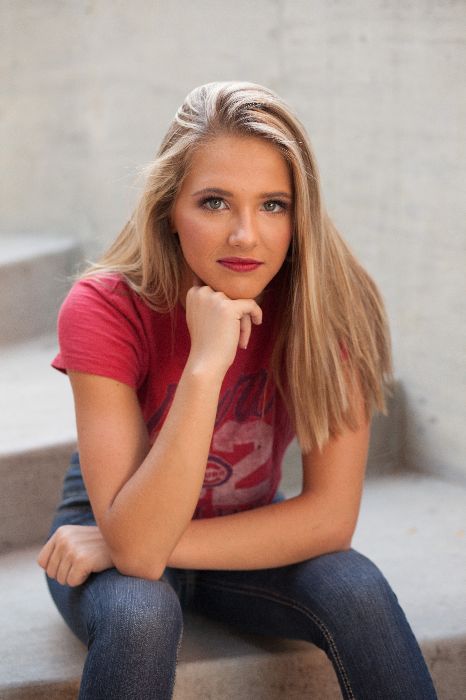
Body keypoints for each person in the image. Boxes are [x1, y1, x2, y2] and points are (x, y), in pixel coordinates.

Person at [37, 81, 438, 700]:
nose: (246, 235)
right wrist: (206, 366)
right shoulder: (106, 307)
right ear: (169, 209)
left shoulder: (331, 307)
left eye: (273, 204)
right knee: (141, 614)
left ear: (301, 213)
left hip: (231, 526)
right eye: (216, 202)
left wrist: (140, 545)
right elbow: (137, 552)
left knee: (356, 587)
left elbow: (330, 519)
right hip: (107, 518)